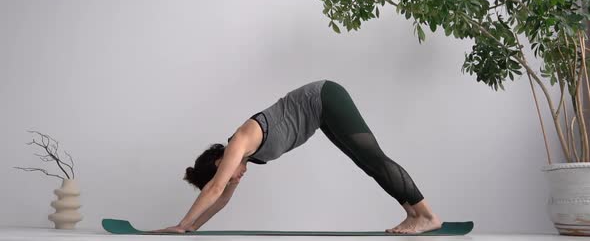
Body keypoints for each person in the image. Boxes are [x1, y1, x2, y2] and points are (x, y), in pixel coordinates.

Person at [153, 80, 442, 234]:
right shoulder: (244, 157)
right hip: (321, 114)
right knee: (368, 164)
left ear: (220, 164)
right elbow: (223, 198)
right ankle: (413, 214)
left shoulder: (239, 143)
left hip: (324, 98)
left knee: (374, 158)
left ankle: (427, 215)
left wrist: (180, 223)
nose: (235, 179)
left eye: (228, 176)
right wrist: (191, 228)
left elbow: (215, 188)